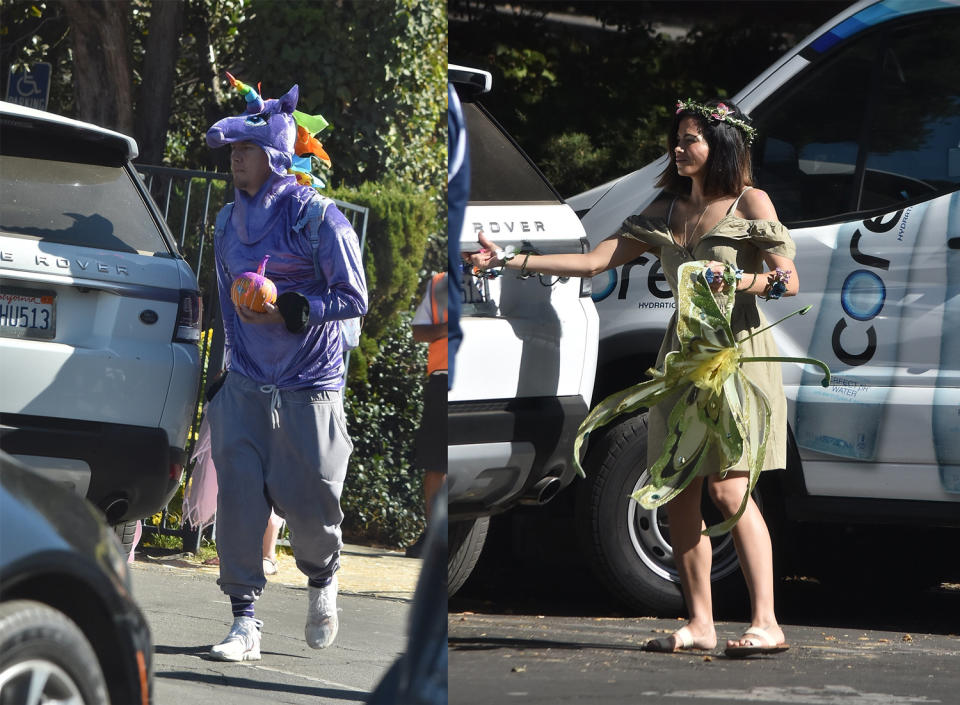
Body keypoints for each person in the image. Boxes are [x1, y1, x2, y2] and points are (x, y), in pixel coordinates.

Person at [468, 99, 797, 657]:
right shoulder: (668, 210)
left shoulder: (748, 201)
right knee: (677, 492)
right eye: (677, 137)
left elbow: (786, 280)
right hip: (682, 359)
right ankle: (699, 624)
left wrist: (737, 280)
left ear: (721, 144)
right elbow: (596, 262)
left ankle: (767, 622)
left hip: (734, 355)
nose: (678, 147)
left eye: (691, 138)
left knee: (729, 488)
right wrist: (510, 260)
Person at [203, 74, 367, 662]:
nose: (235, 160)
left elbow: (356, 297)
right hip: (246, 382)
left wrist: (307, 306)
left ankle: (323, 577)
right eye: (232, 151)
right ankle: (243, 621)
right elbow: (226, 296)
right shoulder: (226, 223)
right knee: (241, 500)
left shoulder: (318, 218)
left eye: (245, 150)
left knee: (310, 504)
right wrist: (224, 368)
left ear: (273, 156)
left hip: (309, 385)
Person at [405, 272, 448, 558]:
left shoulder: (493, 269)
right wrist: (447, 327)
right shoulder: (439, 283)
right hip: (443, 379)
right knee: (436, 463)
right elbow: (419, 331)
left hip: (484, 376)